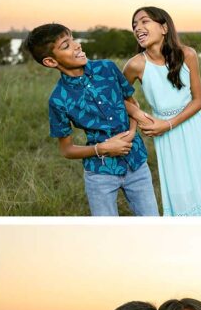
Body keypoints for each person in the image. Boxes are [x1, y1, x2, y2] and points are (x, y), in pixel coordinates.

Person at [24, 23, 159, 217]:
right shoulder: (58, 99)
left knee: (152, 223)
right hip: (100, 175)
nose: (77, 45)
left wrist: (131, 133)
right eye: (66, 45)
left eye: (72, 38)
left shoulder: (107, 68)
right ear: (51, 62)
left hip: (136, 163)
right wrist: (102, 148)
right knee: (105, 234)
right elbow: (66, 150)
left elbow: (130, 102)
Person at [124, 6, 201, 217]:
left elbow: (199, 99)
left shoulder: (188, 54)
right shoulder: (135, 65)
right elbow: (119, 98)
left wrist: (168, 124)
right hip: (164, 133)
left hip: (191, 124)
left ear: (164, 27)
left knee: (198, 178)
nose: (138, 28)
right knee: (177, 185)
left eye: (144, 21)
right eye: (134, 25)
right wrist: (139, 116)